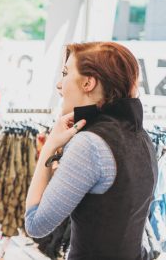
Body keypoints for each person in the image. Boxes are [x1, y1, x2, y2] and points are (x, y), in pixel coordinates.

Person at [25, 42, 158, 260]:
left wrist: (50, 145)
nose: (59, 84)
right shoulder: (141, 137)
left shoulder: (90, 144)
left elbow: (35, 224)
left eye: (66, 73)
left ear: (88, 82)